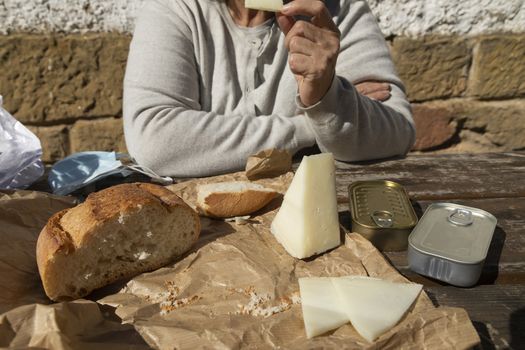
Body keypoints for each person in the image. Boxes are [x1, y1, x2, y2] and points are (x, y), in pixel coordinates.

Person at [123, 0, 415, 177]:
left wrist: (325, 94)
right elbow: (156, 142)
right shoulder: (175, 8)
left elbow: (397, 130)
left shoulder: (338, 10)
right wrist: (311, 125)